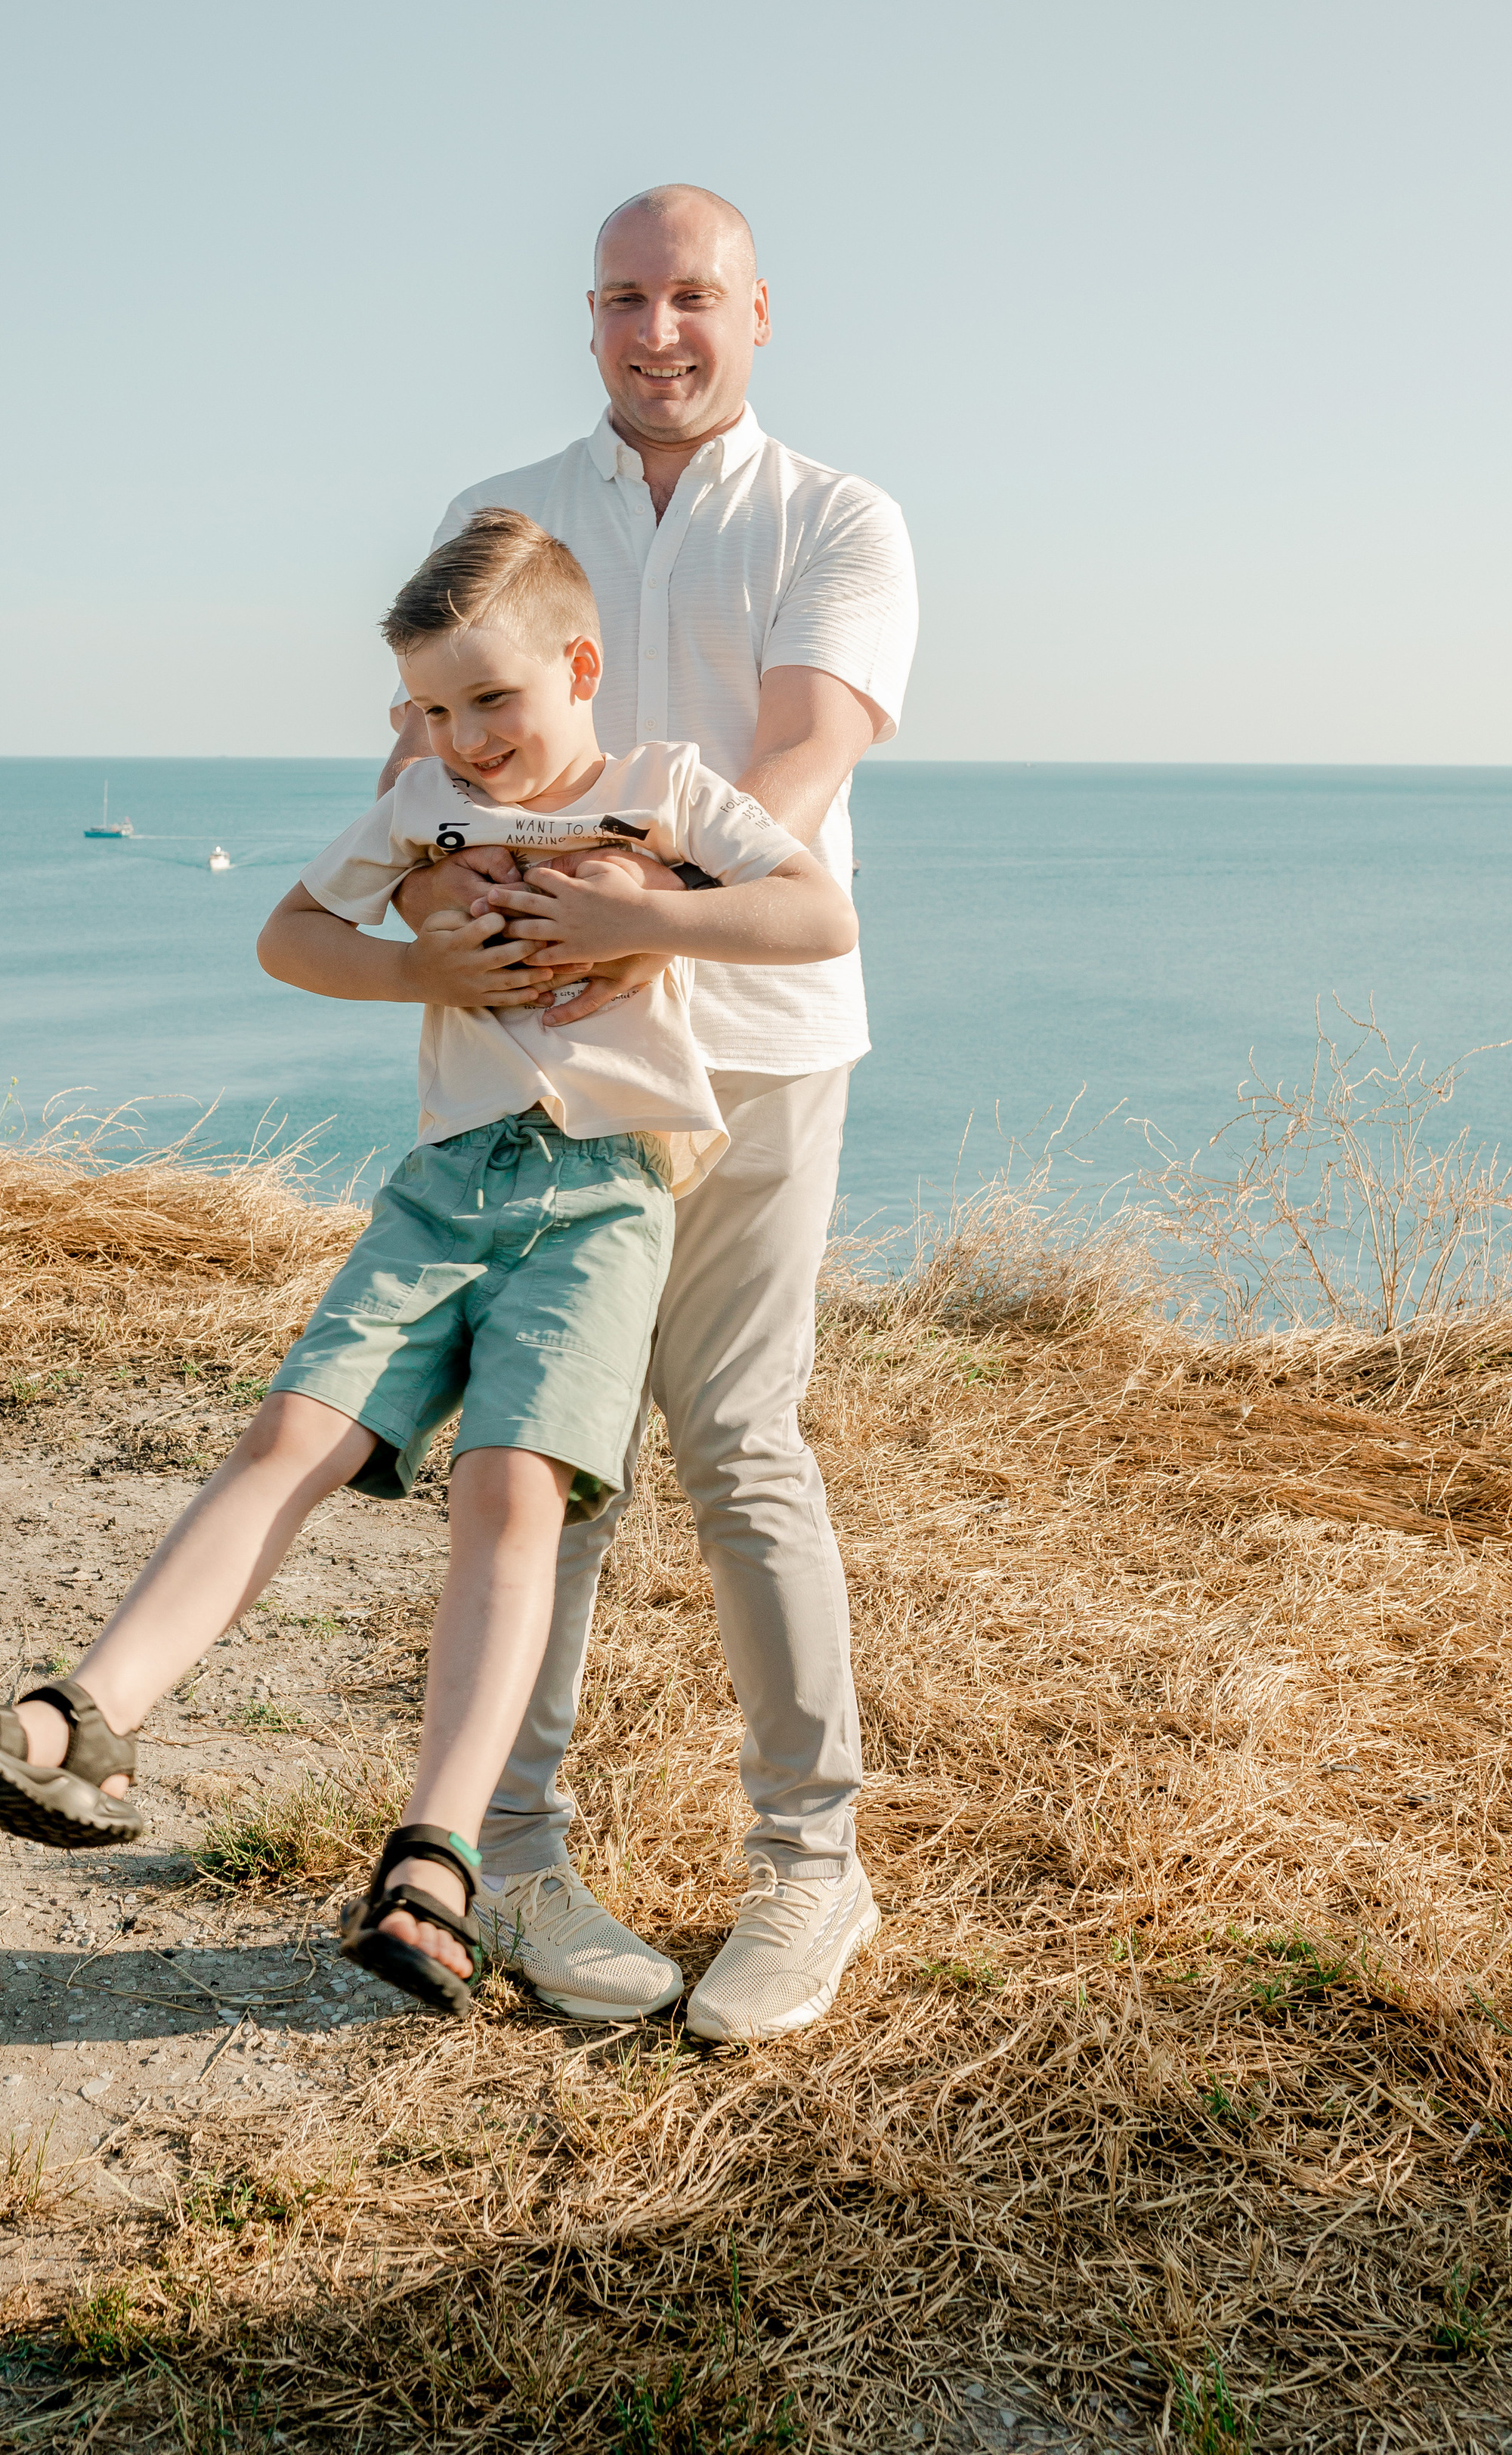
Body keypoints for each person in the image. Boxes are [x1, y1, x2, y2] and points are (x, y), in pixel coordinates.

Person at [0, 510, 855, 2019]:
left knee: (506, 1490)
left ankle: (438, 1867)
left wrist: (640, 914)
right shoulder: (417, 803)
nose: (464, 738)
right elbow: (290, 934)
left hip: (603, 1198)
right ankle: (78, 1721)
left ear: (577, 669)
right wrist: (415, 964)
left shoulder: (663, 792)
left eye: (493, 702)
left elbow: (815, 914)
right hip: (440, 1186)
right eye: (434, 709)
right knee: (289, 1434)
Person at [375, 184, 920, 2042]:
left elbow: (806, 746)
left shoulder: (838, 515)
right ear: (586, 315)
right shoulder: (501, 514)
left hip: (761, 1036)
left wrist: (640, 920)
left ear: (756, 310)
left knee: (743, 1446)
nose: (655, 329)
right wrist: (478, 926)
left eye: (691, 295)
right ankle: (515, 1858)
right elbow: (426, 752)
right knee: (548, 1458)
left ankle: (809, 1871)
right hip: (552, 1061)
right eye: (622, 297)